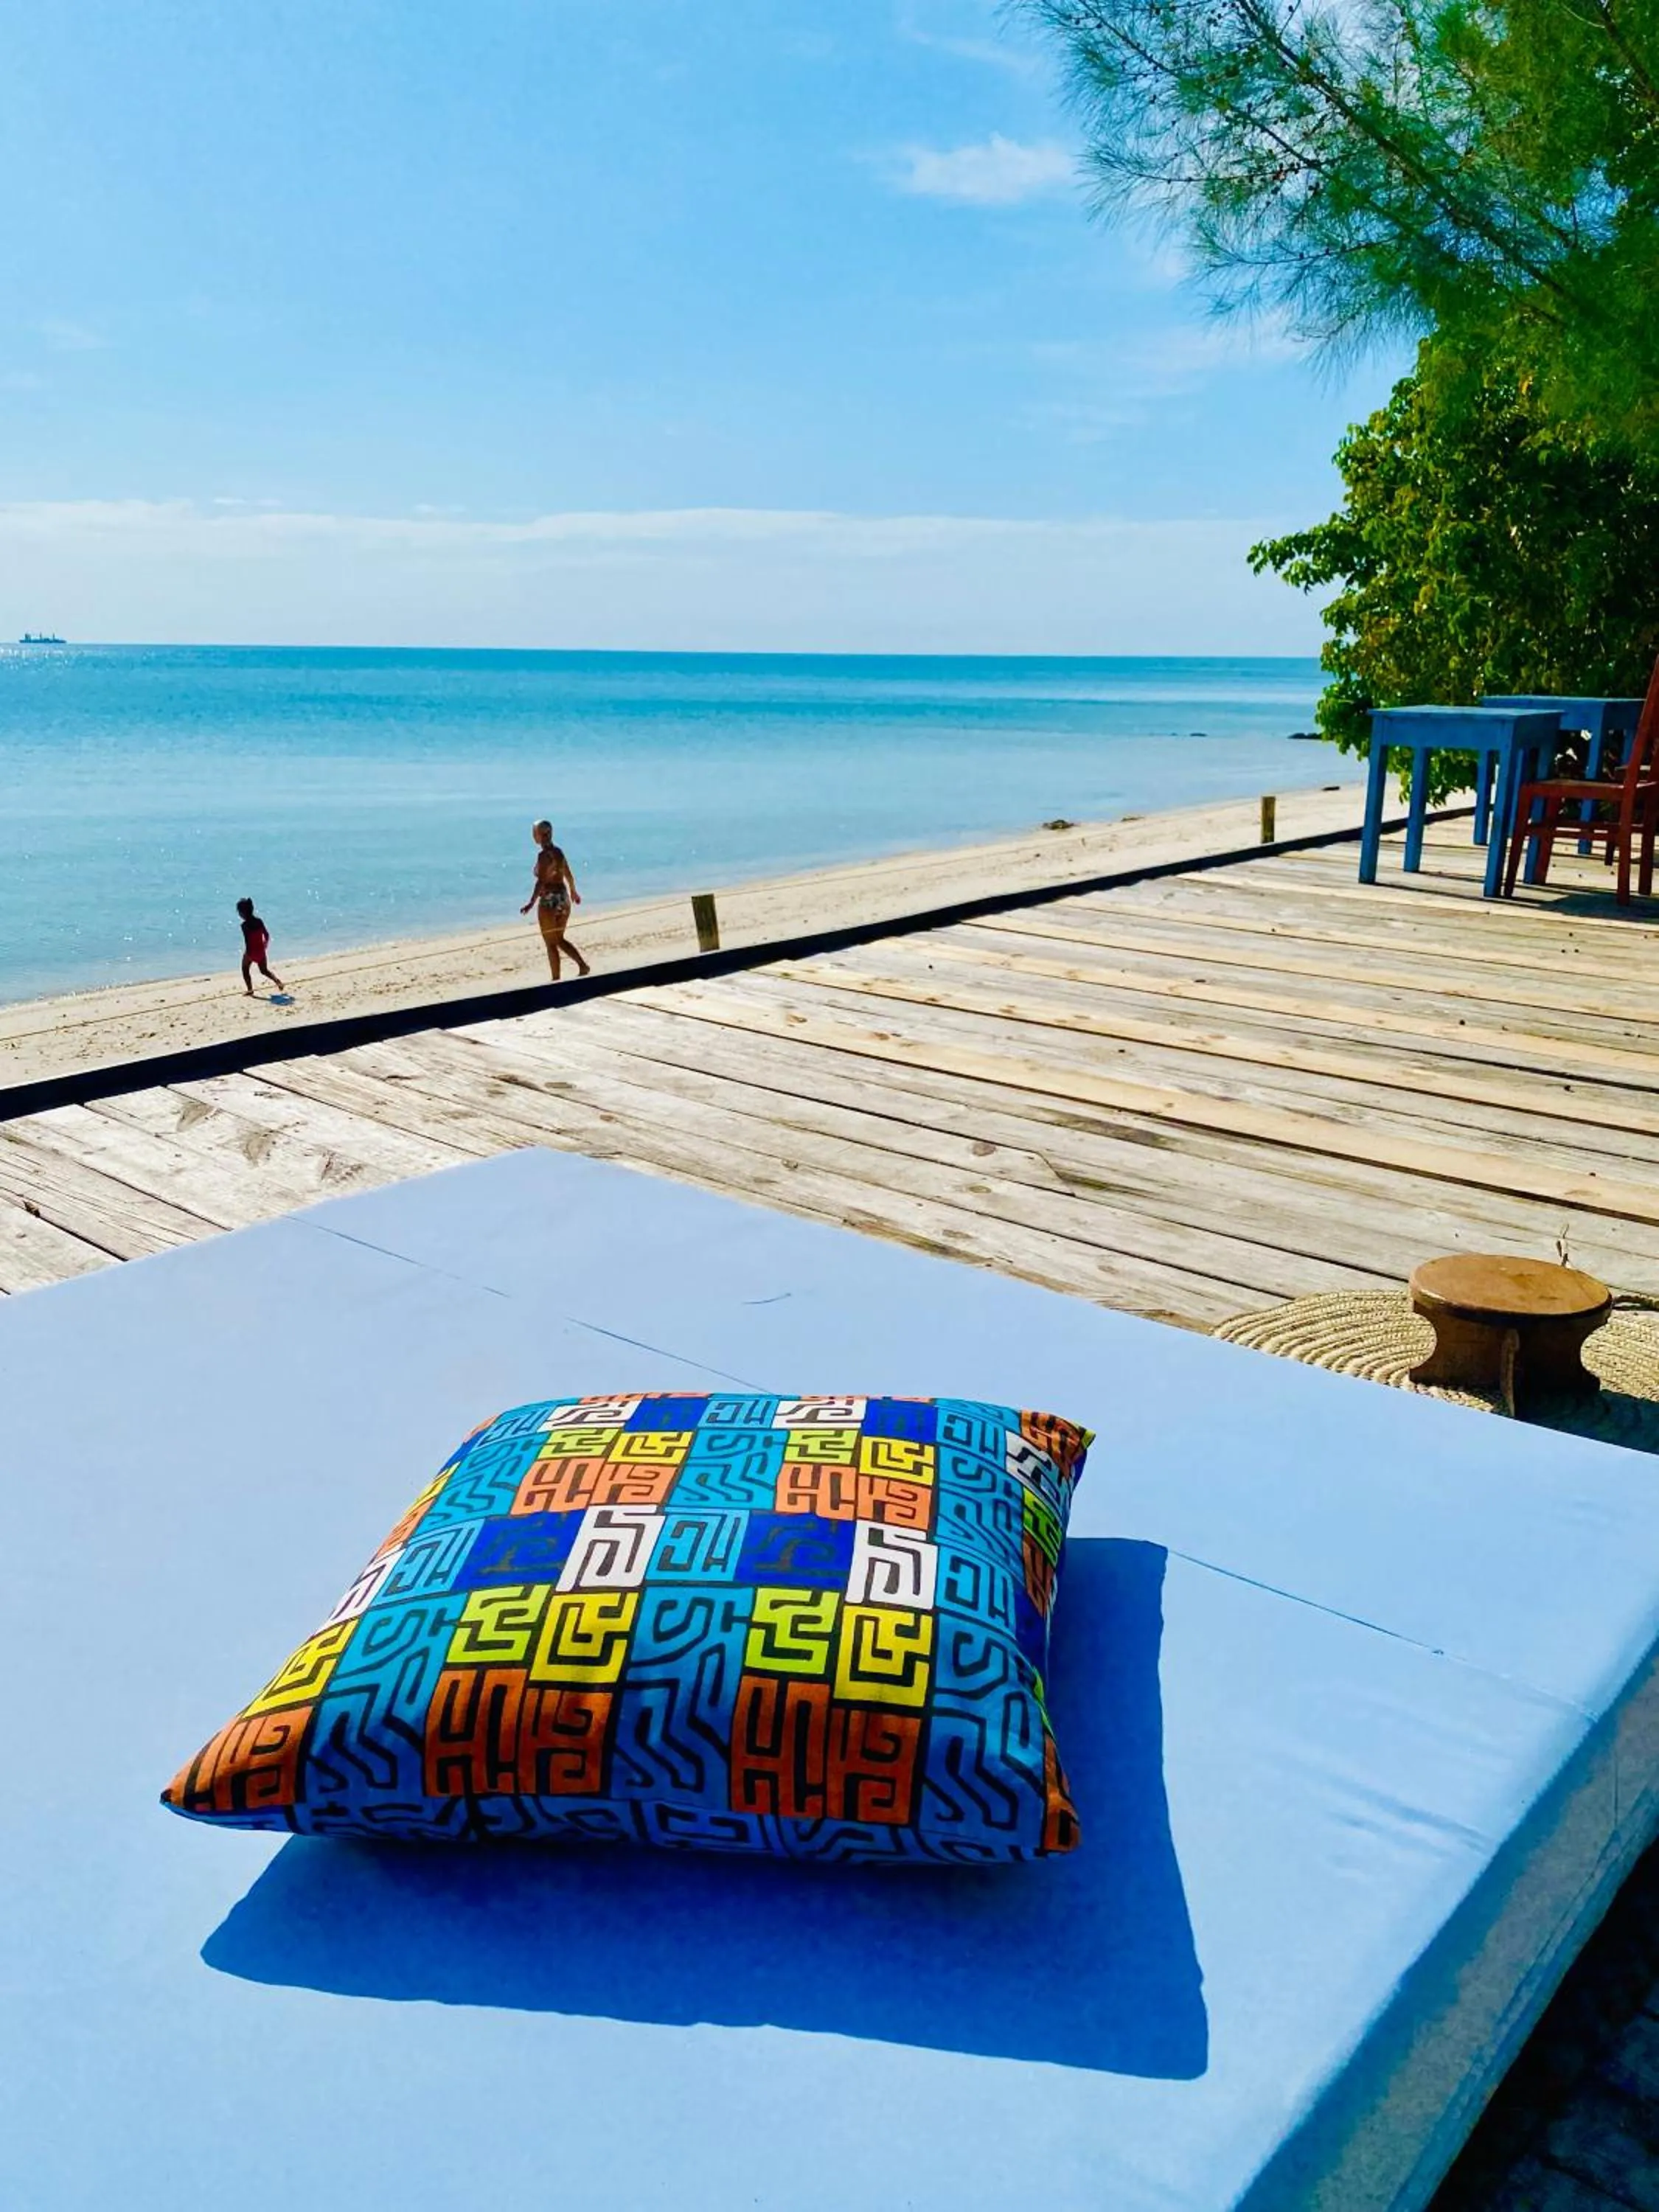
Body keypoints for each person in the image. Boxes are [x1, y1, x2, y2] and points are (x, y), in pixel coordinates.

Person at [520, 820, 591, 981]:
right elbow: (568, 874)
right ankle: (582, 965)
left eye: (534, 833)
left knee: (551, 943)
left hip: (549, 901)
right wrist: (573, 892)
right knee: (558, 939)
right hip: (563, 898)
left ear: (540, 835)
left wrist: (531, 903)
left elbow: (541, 881)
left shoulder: (544, 856)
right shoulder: (559, 852)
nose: (533, 836)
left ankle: (556, 980)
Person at [235, 898, 286, 995]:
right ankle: (277, 981)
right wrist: (265, 945)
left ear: (242, 913)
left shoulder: (244, 926)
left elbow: (248, 942)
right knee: (264, 970)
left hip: (251, 952)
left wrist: (248, 955)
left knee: (245, 969)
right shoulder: (259, 921)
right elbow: (266, 935)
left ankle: (250, 990)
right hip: (261, 952)